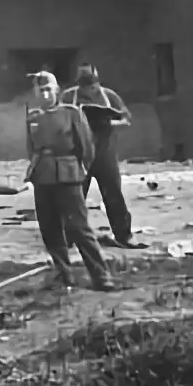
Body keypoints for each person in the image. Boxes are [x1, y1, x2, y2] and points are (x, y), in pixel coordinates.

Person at [26, 72, 117, 291]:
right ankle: (64, 274)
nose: (46, 94)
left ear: (56, 91)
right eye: (41, 91)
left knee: (79, 228)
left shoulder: (71, 113)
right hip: (43, 176)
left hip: (68, 175)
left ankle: (101, 275)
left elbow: (86, 147)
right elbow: (31, 148)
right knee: (49, 228)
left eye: (49, 89)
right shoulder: (33, 117)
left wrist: (79, 170)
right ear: (36, 93)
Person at [60, 63, 146, 249]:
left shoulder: (109, 96)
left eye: (92, 85)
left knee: (113, 194)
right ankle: (70, 236)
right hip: (79, 155)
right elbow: (59, 120)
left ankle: (123, 235)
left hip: (104, 154)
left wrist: (108, 123)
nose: (89, 90)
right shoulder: (69, 96)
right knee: (75, 196)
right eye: (85, 86)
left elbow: (126, 119)